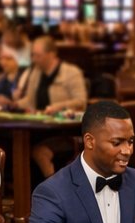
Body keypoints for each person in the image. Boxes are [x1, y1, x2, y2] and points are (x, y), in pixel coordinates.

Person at [17, 35, 88, 180]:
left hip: (65, 132)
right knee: (15, 146)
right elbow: (30, 101)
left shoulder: (71, 73)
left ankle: (54, 191)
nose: (34, 59)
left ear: (52, 54)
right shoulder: (36, 73)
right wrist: (10, 105)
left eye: (38, 56)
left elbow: (81, 102)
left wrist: (57, 107)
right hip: (38, 128)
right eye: (33, 55)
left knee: (38, 150)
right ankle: (25, 194)